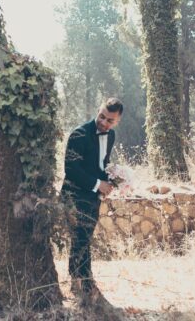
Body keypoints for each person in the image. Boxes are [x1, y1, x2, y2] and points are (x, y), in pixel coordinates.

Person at [61, 97, 123, 304]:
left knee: (86, 237)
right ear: (98, 110)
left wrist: (110, 180)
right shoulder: (78, 133)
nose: (104, 123)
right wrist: (98, 184)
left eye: (110, 120)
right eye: (102, 116)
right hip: (74, 194)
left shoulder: (111, 136)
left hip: (93, 196)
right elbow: (71, 169)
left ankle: (84, 280)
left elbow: (100, 163)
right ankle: (80, 281)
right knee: (80, 238)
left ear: (117, 121)